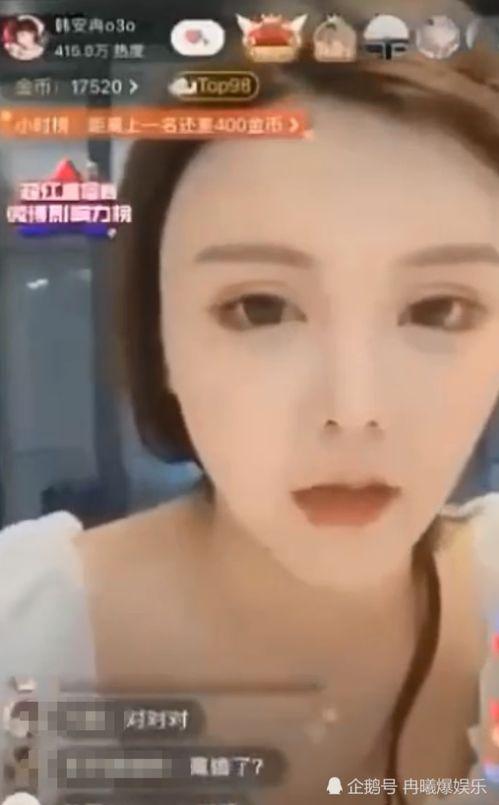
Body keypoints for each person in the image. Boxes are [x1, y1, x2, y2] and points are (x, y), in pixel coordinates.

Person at [2, 1, 499, 802]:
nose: (353, 409)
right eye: (260, 308)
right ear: (159, 336)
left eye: (438, 309)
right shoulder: (18, 637)